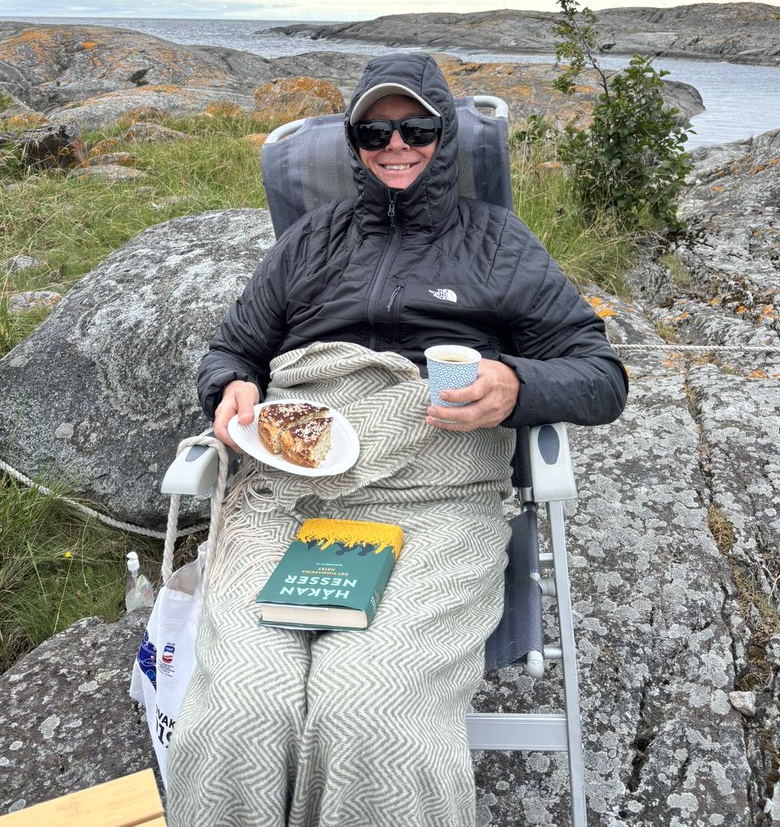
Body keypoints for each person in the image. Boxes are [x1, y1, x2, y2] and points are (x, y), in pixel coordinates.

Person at [167, 52, 627, 827]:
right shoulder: (310, 241)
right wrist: (231, 387)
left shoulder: (499, 243)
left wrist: (518, 384)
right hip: (291, 488)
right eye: (373, 131)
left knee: (366, 711)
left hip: (435, 495)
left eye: (415, 126)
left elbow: (600, 374)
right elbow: (234, 348)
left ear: (444, 136)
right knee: (241, 708)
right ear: (355, 142)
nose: (395, 145)